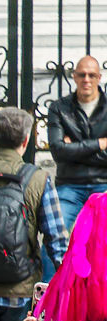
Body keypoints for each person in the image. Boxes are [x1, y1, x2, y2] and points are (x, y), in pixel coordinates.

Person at [48, 55, 107, 230]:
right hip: (70, 184)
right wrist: (99, 144)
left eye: (91, 75)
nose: (86, 80)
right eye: (81, 75)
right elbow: (58, 151)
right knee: (55, 232)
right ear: (74, 77)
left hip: (103, 183)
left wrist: (73, 148)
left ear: (99, 78)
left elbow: (65, 151)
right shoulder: (59, 108)